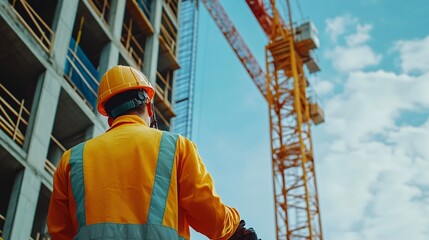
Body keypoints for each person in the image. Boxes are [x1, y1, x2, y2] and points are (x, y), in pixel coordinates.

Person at [47, 65, 259, 240]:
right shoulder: (175, 146)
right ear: (149, 107)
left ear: (110, 117)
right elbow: (210, 216)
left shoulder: (71, 160)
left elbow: (59, 234)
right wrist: (235, 227)